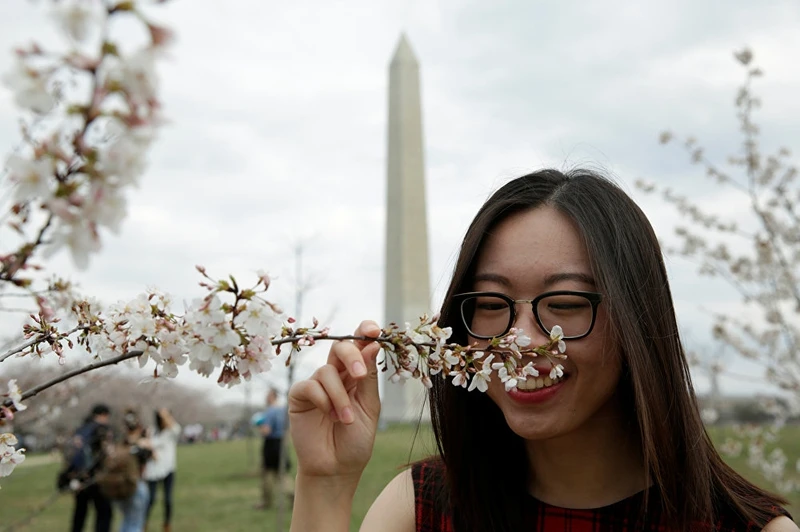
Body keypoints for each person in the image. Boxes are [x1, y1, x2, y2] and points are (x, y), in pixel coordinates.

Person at [287, 169, 799, 531]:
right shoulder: (421, 509)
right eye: (490, 302)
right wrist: (325, 484)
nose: (524, 342)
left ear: (638, 322)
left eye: (568, 302)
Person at [66, 403, 114, 532]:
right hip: (96, 477)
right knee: (104, 512)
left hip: (78, 476)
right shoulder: (102, 429)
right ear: (103, 415)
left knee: (80, 513)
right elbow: (107, 453)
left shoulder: (81, 429)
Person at [253, 388, 293, 509]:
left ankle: (266, 502)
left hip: (271, 444)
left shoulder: (270, 411)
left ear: (272, 396)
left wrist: (258, 425)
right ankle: (294, 496)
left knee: (267, 474)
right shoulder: (283, 411)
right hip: (281, 443)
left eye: (267, 395)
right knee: (281, 474)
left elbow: (267, 430)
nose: (266, 397)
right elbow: (288, 429)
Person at [143, 408, 181, 532]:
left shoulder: (171, 432)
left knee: (168, 499)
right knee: (151, 499)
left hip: (168, 469)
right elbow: (147, 443)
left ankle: (167, 525)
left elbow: (175, 428)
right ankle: (143, 523)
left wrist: (166, 415)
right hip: (153, 471)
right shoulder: (153, 431)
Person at [117, 409, 153, 532]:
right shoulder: (142, 444)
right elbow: (154, 457)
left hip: (121, 486)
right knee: (135, 524)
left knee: (126, 521)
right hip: (137, 485)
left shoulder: (120, 443)